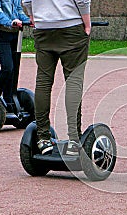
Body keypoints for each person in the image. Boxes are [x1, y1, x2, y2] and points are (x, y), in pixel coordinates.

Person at [22, 0, 91, 155]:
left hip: (43, 26)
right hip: (71, 24)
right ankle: (74, 139)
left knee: (43, 82)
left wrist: (33, 15)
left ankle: (43, 138)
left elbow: (26, 0)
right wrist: (87, 23)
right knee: (73, 82)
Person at [0, 0, 30, 112]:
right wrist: (10, 22)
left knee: (14, 69)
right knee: (7, 67)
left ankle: (9, 101)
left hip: (14, 34)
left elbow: (18, 10)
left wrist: (28, 20)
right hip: (0, 34)